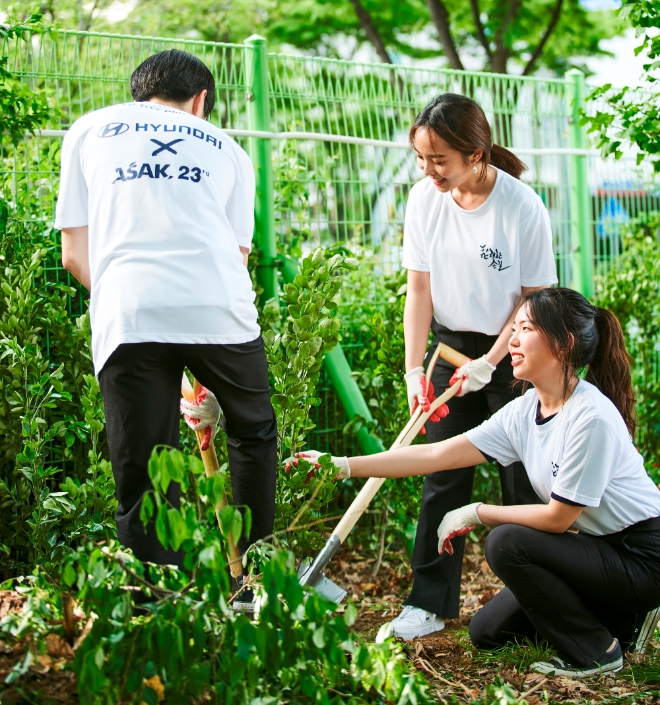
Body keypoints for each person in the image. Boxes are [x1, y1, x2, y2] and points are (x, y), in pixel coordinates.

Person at [297, 288, 660, 677]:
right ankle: (618, 621)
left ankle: (598, 652)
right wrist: (342, 465)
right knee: (487, 632)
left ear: (563, 344)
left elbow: (558, 519)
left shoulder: (590, 417)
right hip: (596, 549)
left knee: (507, 541)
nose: (513, 340)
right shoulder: (523, 411)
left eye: (526, 328)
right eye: (514, 327)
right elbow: (437, 454)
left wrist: (476, 512)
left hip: (641, 558)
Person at [55, 49, 277, 579]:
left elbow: (73, 255)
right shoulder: (230, 149)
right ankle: (257, 579)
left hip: (128, 312)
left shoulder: (88, 130)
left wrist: (127, 297)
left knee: (144, 463)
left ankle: (161, 599)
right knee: (252, 432)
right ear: (201, 101)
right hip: (219, 310)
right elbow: (237, 257)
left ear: (138, 92)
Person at [393, 93, 557, 639]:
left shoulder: (520, 206)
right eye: (421, 158)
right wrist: (415, 369)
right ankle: (429, 603)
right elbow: (418, 289)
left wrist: (492, 361)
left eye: (439, 159)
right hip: (449, 350)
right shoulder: (424, 201)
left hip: (517, 348)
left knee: (523, 479)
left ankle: (538, 607)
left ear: (476, 153)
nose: (428, 170)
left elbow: (535, 298)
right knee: (442, 473)